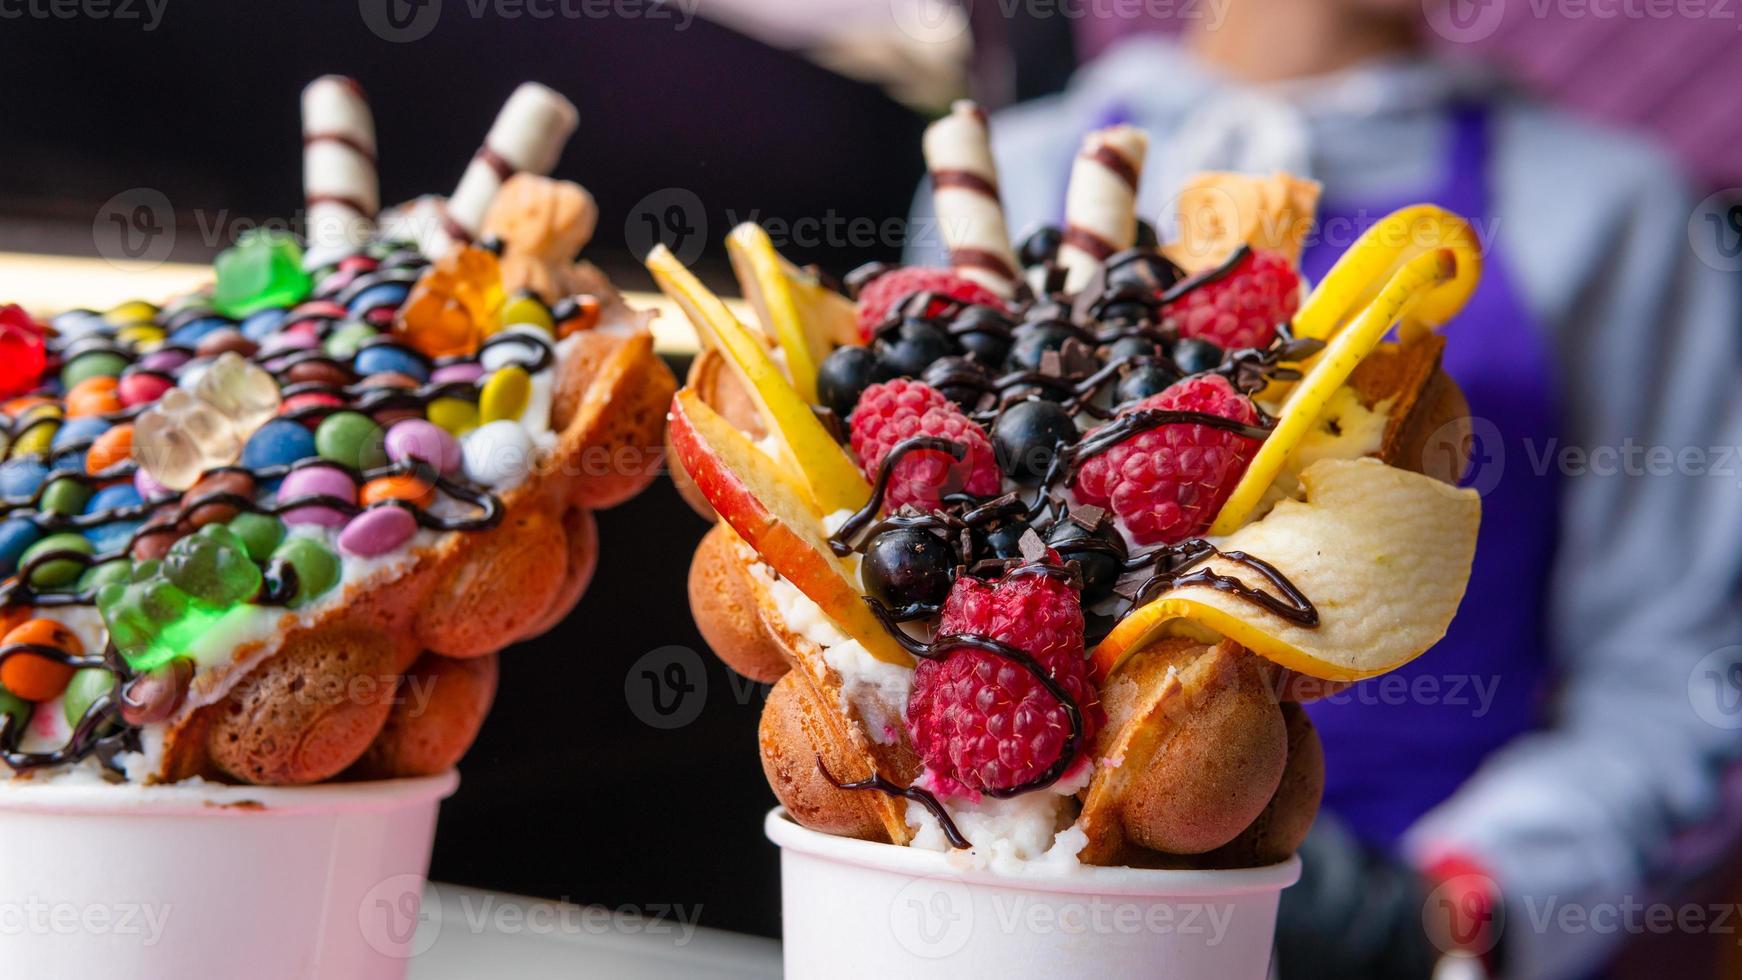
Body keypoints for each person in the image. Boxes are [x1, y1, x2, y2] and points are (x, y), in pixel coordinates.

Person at [908, 5, 1742, 977]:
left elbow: (1673, 669)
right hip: (1021, 900)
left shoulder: (1606, 206)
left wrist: (1460, 902)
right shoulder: (1010, 174)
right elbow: (916, 577)